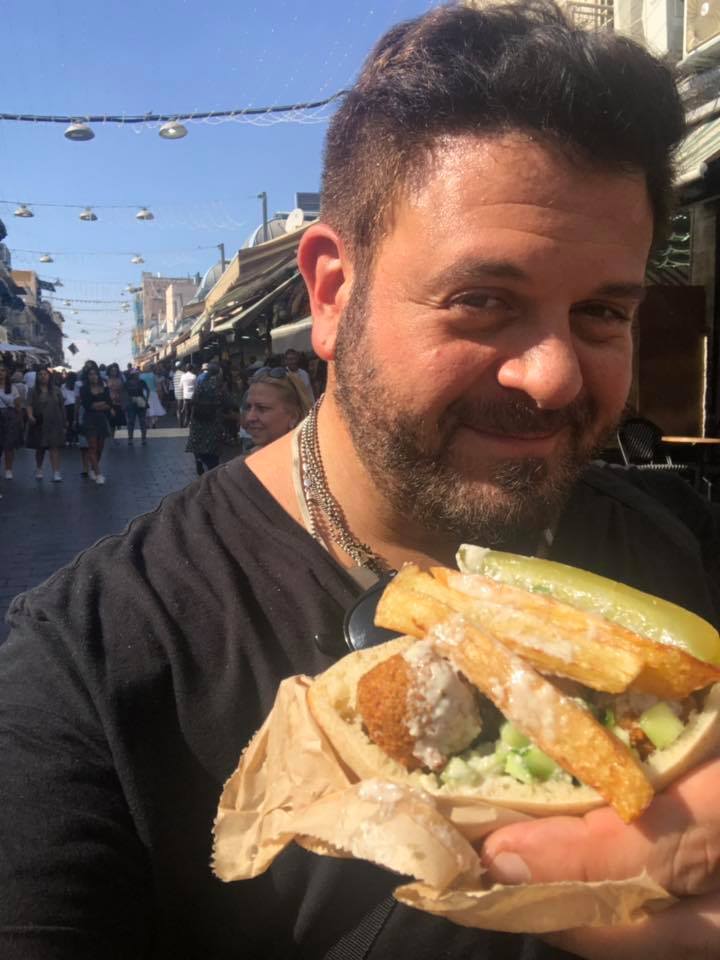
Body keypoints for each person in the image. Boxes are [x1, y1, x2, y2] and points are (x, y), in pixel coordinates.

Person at [1, 5, 719, 959]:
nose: (552, 375)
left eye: (600, 313)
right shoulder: (84, 670)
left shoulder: (688, 547)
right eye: (483, 301)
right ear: (332, 294)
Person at [244, 370, 312, 450]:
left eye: (262, 408)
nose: (250, 417)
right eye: (248, 407)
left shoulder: (314, 459)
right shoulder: (248, 459)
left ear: (294, 417)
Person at [185, 362, 230, 474]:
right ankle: (212, 469)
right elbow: (228, 402)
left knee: (198, 442)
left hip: (199, 418)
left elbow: (194, 400)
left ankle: (199, 461)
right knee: (212, 445)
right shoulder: (220, 386)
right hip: (213, 419)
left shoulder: (200, 383)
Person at [25, 367, 66, 481]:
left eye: (45, 374)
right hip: (40, 421)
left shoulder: (56, 390)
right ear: (37, 377)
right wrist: (30, 415)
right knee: (40, 448)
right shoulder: (33, 390)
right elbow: (29, 404)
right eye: (40, 374)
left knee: (54, 447)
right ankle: (39, 468)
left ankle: (56, 472)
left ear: (49, 376)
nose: (43, 376)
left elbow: (62, 406)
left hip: (54, 422)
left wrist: (65, 421)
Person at [79, 365, 112, 484]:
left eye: (95, 374)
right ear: (87, 376)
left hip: (102, 419)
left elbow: (109, 404)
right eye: (90, 374)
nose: (93, 376)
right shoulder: (84, 389)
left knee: (100, 447)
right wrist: (101, 404)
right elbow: (88, 405)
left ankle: (93, 468)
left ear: (98, 375)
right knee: (92, 446)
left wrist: (97, 405)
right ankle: (98, 473)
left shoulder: (104, 388)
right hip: (89, 419)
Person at [0, 363, 23, 480]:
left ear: (6, 373)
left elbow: (18, 405)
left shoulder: (12, 388)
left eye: (3, 370)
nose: (1, 373)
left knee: (9, 445)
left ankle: (8, 469)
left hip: (9, 417)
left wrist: (19, 420)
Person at [125, 369, 150, 445]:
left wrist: (146, 399)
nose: (137, 375)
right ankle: (130, 439)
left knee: (142, 421)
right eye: (136, 374)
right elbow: (124, 393)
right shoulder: (127, 383)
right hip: (131, 404)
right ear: (132, 375)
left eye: (137, 374)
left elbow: (147, 390)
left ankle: (143, 439)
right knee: (131, 421)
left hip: (141, 403)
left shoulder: (141, 382)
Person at [105, 362, 127, 438]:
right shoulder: (106, 380)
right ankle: (110, 437)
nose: (114, 372)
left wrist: (123, 402)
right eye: (112, 370)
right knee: (110, 421)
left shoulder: (120, 380)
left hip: (118, 402)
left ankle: (112, 437)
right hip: (109, 402)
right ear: (109, 371)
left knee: (115, 421)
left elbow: (122, 391)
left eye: (115, 370)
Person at [61, 371, 79, 445]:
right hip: (75, 405)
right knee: (75, 422)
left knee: (68, 422)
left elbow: (63, 398)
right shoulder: (77, 386)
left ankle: (68, 439)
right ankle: (76, 439)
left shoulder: (63, 386)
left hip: (67, 406)